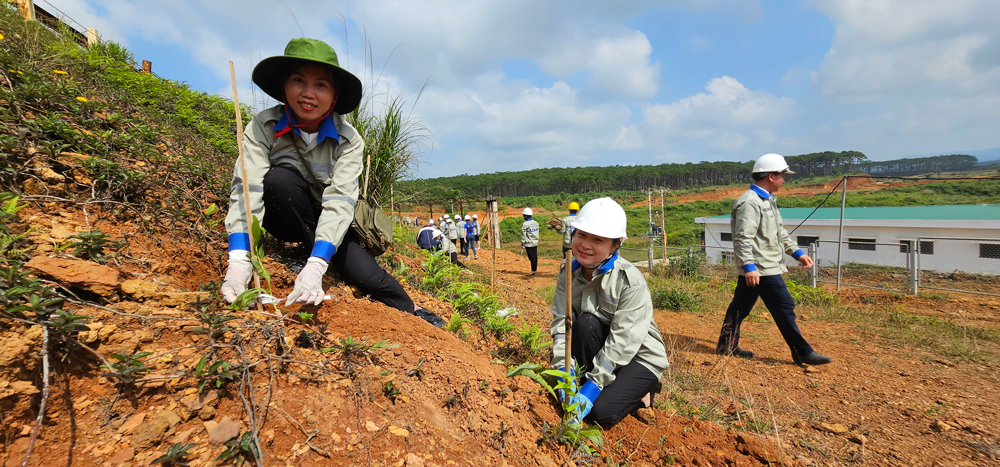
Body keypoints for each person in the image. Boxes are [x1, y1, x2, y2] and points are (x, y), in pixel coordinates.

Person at [219, 37, 444, 328]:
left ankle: (411, 309)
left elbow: (339, 202)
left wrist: (317, 264)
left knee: (365, 274)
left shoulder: (349, 141)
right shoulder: (263, 127)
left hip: (329, 220)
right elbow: (246, 188)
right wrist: (239, 259)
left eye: (321, 85)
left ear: (335, 93)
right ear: (284, 85)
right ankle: (304, 249)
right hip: (285, 215)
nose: (308, 93)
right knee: (278, 181)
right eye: (298, 80)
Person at [549, 197, 667, 426]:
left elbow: (623, 339)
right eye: (581, 234)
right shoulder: (568, 271)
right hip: (606, 345)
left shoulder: (629, 281)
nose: (585, 244)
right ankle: (601, 383)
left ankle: (645, 393)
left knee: (602, 414)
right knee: (584, 324)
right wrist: (565, 372)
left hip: (639, 356)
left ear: (615, 245)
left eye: (597, 239)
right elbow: (563, 324)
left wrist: (592, 388)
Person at [716, 153, 831, 366]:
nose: (784, 180)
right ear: (771, 176)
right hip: (761, 268)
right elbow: (743, 238)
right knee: (784, 305)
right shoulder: (750, 203)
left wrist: (797, 253)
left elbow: (779, 233)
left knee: (740, 307)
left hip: (762, 266)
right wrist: (749, 267)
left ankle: (726, 345)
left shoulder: (768, 201)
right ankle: (802, 351)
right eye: (782, 175)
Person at [520, 208, 540, 276]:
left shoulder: (525, 224)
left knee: (531, 257)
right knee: (535, 256)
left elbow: (523, 234)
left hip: (529, 243)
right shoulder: (536, 223)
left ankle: (533, 271)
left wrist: (523, 243)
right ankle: (534, 269)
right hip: (535, 242)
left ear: (525, 216)